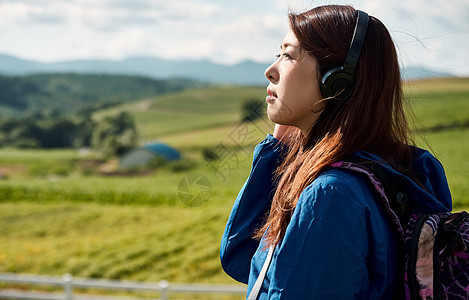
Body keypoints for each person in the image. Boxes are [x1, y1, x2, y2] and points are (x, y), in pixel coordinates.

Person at [219, 4, 452, 299]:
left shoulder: (330, 195)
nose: (271, 70)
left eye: (288, 55)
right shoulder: (413, 170)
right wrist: (280, 153)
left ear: (337, 82)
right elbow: (247, 260)